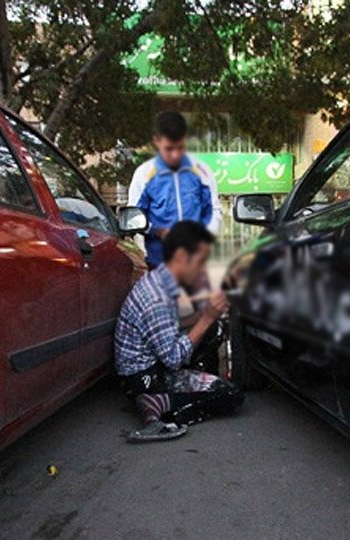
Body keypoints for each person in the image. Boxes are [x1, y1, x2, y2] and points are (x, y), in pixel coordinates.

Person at [114, 221, 243, 442]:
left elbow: (173, 325)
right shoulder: (157, 297)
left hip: (151, 365)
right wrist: (207, 317)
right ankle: (158, 408)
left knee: (213, 328)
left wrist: (207, 312)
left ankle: (165, 400)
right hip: (144, 377)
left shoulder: (162, 279)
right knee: (230, 395)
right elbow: (173, 359)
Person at [128, 111, 222, 269]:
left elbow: (214, 210)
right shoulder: (144, 174)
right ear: (156, 141)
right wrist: (157, 231)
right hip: (159, 265)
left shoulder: (202, 171)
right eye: (169, 148)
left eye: (180, 147)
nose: (175, 154)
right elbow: (133, 217)